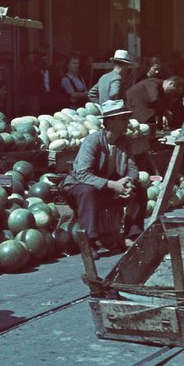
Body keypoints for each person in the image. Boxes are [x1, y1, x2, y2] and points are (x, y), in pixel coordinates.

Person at [60, 99, 146, 259]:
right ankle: (89, 242)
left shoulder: (125, 141)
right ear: (110, 121)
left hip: (106, 190)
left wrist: (129, 182)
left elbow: (132, 167)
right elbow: (82, 175)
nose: (127, 121)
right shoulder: (92, 141)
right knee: (87, 190)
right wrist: (112, 185)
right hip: (79, 190)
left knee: (139, 189)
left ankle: (132, 235)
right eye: (123, 118)